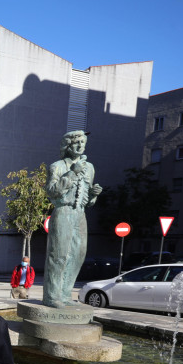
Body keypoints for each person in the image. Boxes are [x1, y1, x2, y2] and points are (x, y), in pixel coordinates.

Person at [43, 130, 102, 308]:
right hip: (63, 211)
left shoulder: (90, 167)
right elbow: (52, 191)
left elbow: (88, 200)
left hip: (80, 213)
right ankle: (52, 296)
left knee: (78, 255)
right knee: (59, 255)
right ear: (67, 146)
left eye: (82, 143)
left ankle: (66, 294)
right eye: (76, 143)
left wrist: (94, 195)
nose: (80, 146)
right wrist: (71, 173)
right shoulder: (58, 166)